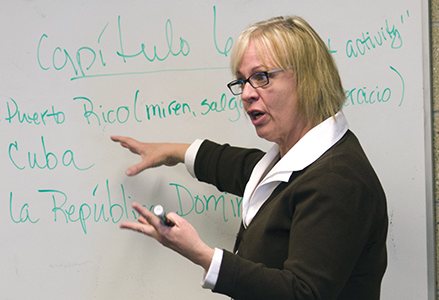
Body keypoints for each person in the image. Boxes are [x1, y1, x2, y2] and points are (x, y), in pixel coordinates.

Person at [112, 15, 388, 299]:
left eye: (261, 77)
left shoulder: (336, 182)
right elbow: (243, 168)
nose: (245, 94)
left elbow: (303, 293)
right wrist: (174, 152)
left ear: (307, 79)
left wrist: (202, 254)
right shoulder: (298, 159)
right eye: (242, 81)